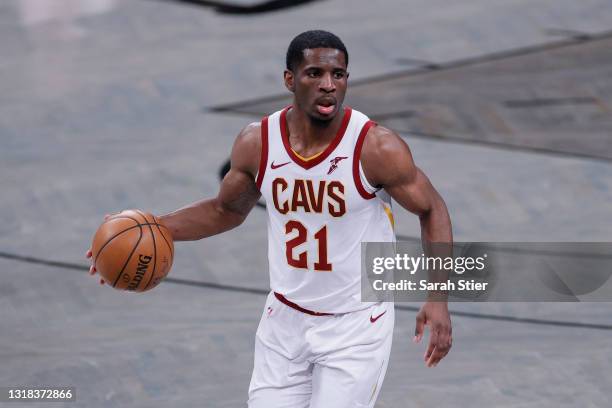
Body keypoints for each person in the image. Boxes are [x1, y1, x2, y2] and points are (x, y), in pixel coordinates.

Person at [87, 29, 453, 408]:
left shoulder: (375, 147)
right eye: (314, 74)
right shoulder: (258, 142)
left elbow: (432, 208)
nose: (328, 85)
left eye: (338, 75)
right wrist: (147, 231)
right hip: (285, 322)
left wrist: (438, 298)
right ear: (290, 80)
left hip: (355, 326)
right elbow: (225, 210)